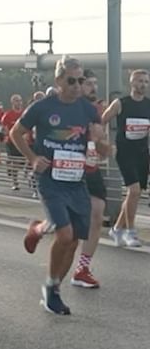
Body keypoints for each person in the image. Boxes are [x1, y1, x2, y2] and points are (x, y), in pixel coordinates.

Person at [10, 56, 102, 315]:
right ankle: (50, 287)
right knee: (65, 235)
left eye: (80, 80)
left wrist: (100, 142)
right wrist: (32, 158)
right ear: (59, 80)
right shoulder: (42, 107)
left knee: (73, 241)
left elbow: (102, 146)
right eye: (71, 80)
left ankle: (54, 283)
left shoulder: (88, 109)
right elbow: (15, 132)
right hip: (50, 179)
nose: (76, 85)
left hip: (76, 181)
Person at [101, 69, 150, 248]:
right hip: (124, 152)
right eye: (139, 81)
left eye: (145, 81)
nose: (143, 85)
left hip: (142, 153)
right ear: (131, 83)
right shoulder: (120, 103)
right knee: (134, 191)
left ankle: (116, 228)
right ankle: (130, 232)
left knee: (134, 194)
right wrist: (105, 142)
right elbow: (102, 120)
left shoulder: (148, 104)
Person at [70, 69, 109, 288]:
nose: (93, 88)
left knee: (97, 216)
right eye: (88, 84)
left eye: (95, 83)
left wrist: (101, 144)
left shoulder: (97, 110)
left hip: (91, 170)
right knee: (66, 225)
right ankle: (38, 228)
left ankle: (82, 269)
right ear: (77, 86)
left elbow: (100, 147)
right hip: (67, 171)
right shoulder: (64, 108)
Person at [1, 94, 24, 190]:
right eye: (16, 101)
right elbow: (5, 129)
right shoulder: (8, 115)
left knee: (23, 162)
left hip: (23, 141)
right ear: (12, 102)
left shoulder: (24, 113)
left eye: (20, 100)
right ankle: (15, 183)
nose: (19, 103)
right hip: (11, 141)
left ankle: (9, 164)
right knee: (15, 162)